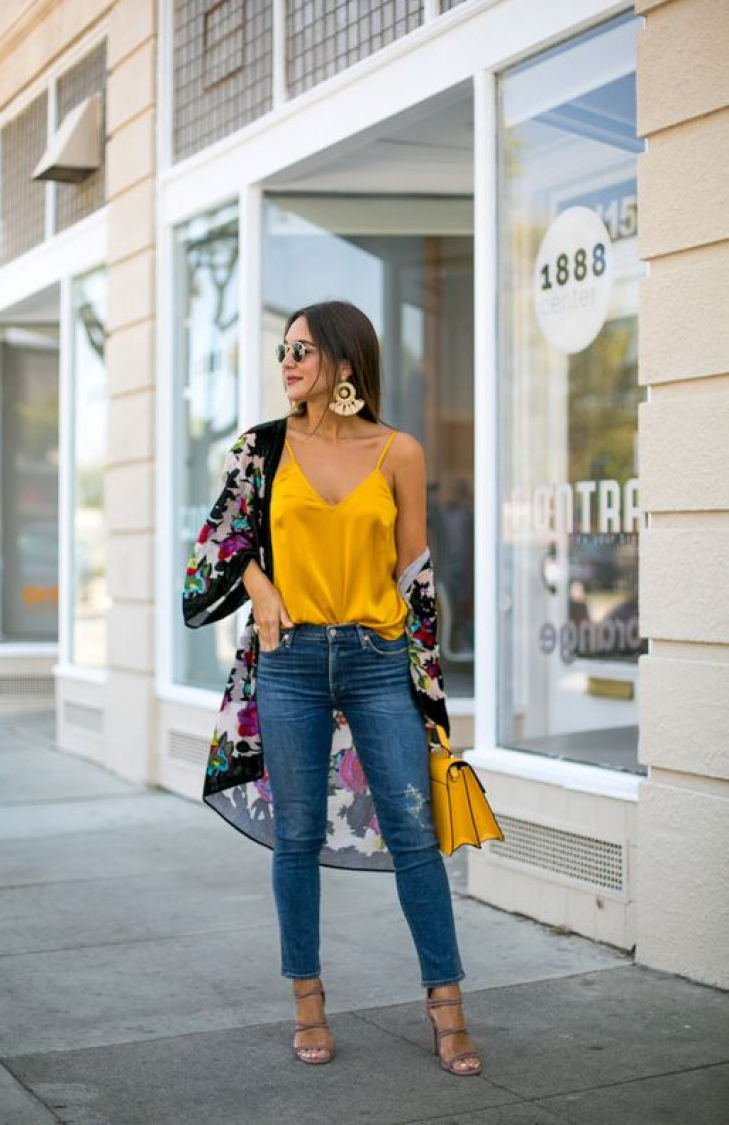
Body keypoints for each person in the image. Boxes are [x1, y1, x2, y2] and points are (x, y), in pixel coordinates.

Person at [182, 300, 480, 1076]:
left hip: (379, 659)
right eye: (284, 350)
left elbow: (417, 585)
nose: (288, 363)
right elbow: (218, 541)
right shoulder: (262, 449)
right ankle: (308, 1000)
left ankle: (447, 1005)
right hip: (290, 661)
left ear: (346, 365)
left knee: (416, 836)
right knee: (299, 835)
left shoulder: (399, 453)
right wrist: (261, 586)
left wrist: (431, 702)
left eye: (304, 351)